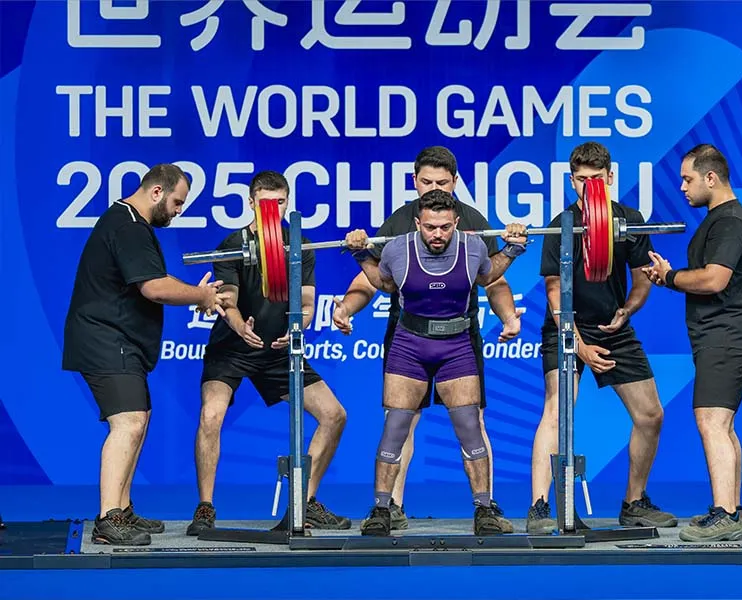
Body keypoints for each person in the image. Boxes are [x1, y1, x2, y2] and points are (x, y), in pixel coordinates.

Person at [332, 146, 517, 533]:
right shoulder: (398, 231)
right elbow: (379, 281)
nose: (437, 232)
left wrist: (513, 267)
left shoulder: (474, 231)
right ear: (417, 214)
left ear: (454, 185)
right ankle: (386, 508)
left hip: (458, 336)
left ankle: (485, 509)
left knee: (470, 422)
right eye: (428, 183)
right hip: (408, 337)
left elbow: (491, 277)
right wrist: (351, 288)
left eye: (443, 183)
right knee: (398, 424)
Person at [62, 164, 227, 546]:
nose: (178, 210)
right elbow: (154, 288)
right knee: (129, 422)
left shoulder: (130, 223)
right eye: (176, 202)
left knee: (141, 416)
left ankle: (122, 508)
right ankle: (109, 519)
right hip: (105, 340)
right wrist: (201, 296)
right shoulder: (129, 227)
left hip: (119, 341)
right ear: (156, 192)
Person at [187, 170, 350, 535]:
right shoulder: (232, 244)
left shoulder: (299, 246)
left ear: (287, 203)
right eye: (264, 205)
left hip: (279, 350)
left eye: (279, 204)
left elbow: (307, 303)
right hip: (232, 347)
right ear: (250, 204)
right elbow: (226, 298)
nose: (272, 211)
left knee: (334, 415)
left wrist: (298, 325)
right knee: (211, 415)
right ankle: (205, 508)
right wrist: (237, 324)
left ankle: (304, 504)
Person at [527, 142, 677, 534]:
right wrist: (577, 343)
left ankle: (634, 502)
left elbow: (644, 275)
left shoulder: (628, 219)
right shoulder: (563, 224)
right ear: (571, 180)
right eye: (580, 180)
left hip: (613, 326)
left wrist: (627, 310)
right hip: (566, 327)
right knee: (558, 411)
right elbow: (555, 292)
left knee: (651, 415)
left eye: (595, 179)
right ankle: (541, 509)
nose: (587, 186)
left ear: (609, 178)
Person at [642, 144, 742, 542]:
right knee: (723, 425)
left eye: (688, 179)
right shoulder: (719, 219)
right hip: (725, 336)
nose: (681, 187)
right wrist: (670, 276)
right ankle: (733, 510)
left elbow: (714, 280)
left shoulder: (729, 222)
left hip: (727, 336)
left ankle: (725, 514)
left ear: (711, 178)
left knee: (711, 421)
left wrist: (670, 277)